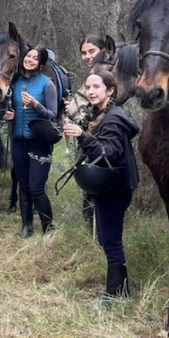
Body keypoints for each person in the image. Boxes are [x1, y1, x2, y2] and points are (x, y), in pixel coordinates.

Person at [64, 70, 139, 304]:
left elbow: (109, 153)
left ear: (110, 90)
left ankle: (116, 293)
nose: (91, 91)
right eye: (88, 87)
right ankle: (119, 288)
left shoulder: (114, 117)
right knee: (107, 238)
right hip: (111, 187)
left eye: (97, 86)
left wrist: (83, 136)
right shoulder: (100, 114)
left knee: (111, 239)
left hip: (115, 188)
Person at [5, 46, 58, 237]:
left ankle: (48, 230)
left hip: (39, 142)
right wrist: (8, 115)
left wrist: (36, 105)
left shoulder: (47, 84)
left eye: (35, 58)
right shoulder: (16, 83)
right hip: (19, 141)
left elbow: (53, 115)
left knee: (37, 188)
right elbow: (11, 109)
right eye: (28, 56)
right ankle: (26, 227)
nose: (29, 60)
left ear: (41, 63)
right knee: (24, 185)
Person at [78, 34, 107, 233]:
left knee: (99, 185)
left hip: (102, 140)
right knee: (87, 185)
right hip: (86, 137)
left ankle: (99, 234)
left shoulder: (106, 75)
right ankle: (90, 232)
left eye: (91, 51)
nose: (87, 56)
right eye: (84, 53)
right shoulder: (91, 75)